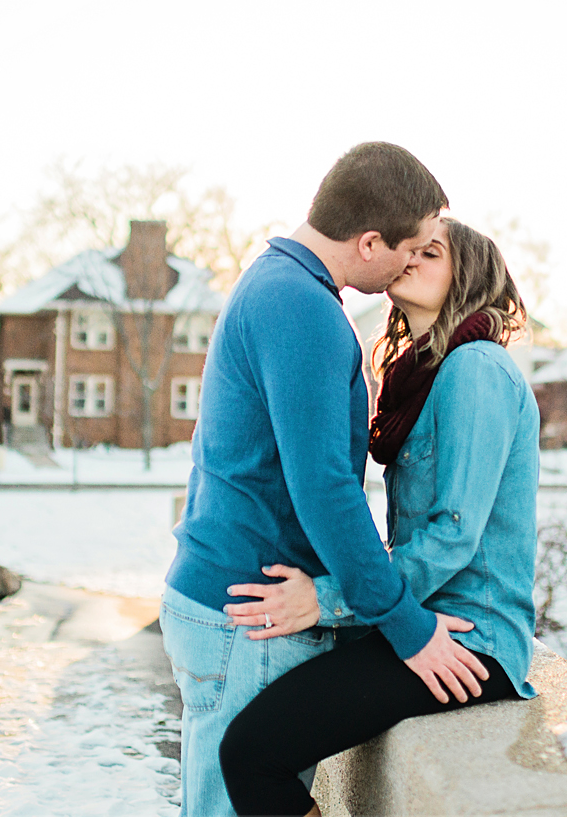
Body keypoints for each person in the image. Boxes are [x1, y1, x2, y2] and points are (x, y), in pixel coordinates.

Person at [162, 142, 490, 818]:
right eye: (412, 247)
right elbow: (326, 491)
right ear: (370, 242)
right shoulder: (303, 311)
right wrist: (407, 626)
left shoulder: (277, 285)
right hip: (252, 613)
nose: (411, 262)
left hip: (234, 600)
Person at [216, 218, 540, 817]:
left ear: (466, 277)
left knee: (251, 752)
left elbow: (453, 535)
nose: (411, 258)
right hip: (423, 622)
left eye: (431, 253)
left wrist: (329, 598)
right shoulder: (422, 378)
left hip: (472, 638)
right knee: (254, 745)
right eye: (410, 249)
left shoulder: (476, 370)